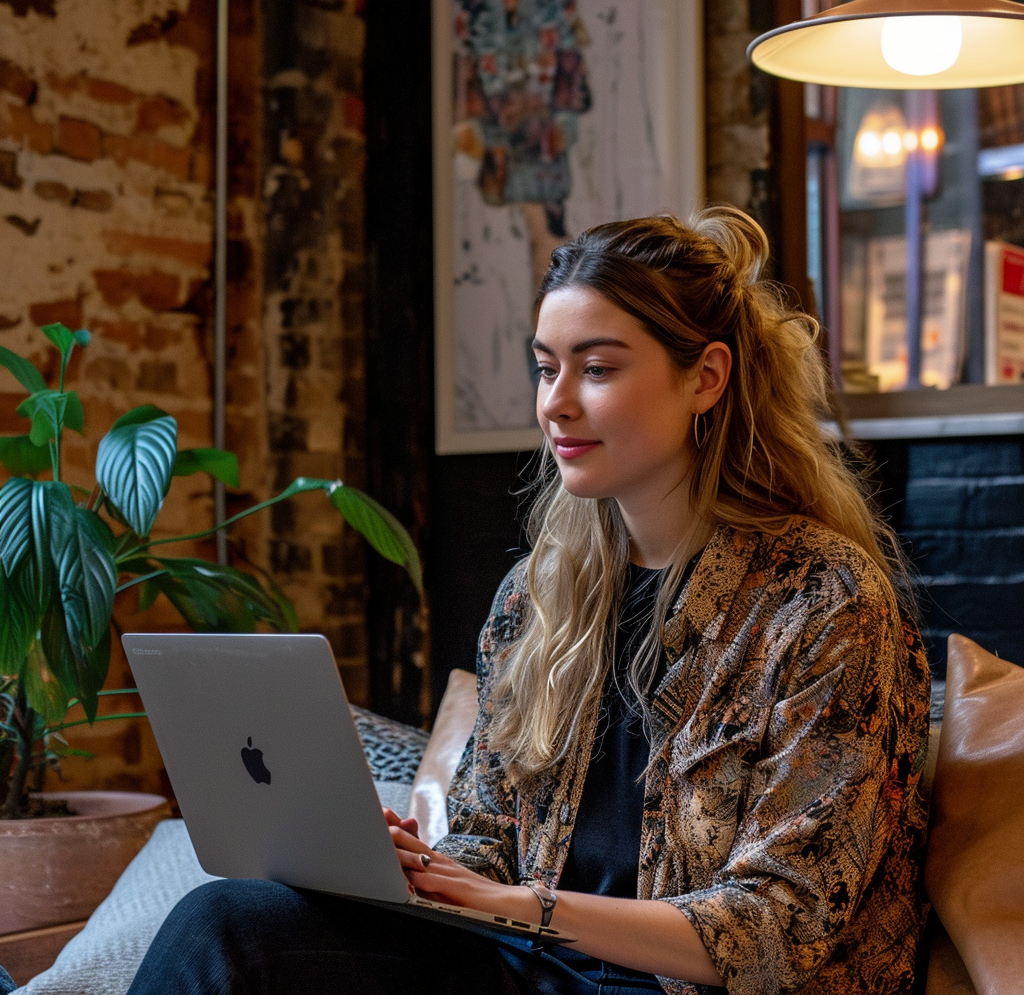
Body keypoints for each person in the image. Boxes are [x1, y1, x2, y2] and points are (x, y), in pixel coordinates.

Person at [127, 206, 930, 995]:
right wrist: (417, 872)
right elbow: (487, 846)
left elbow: (777, 930)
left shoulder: (825, 601)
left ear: (706, 378)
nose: (556, 403)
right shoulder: (540, 595)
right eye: (547, 367)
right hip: (528, 970)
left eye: (599, 368)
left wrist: (520, 905)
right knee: (228, 921)